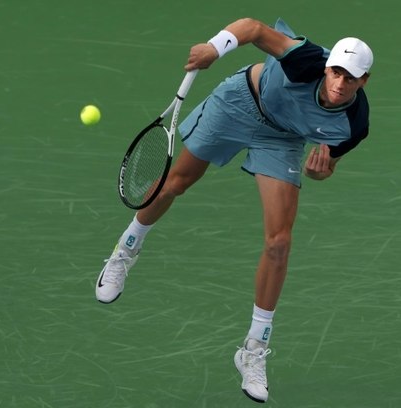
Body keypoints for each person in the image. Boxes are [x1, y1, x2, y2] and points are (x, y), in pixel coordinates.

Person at [95, 17, 373, 403]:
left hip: (283, 140)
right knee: (175, 183)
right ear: (327, 67)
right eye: (336, 72)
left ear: (364, 81)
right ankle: (124, 251)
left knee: (279, 243)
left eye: (351, 78)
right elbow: (254, 29)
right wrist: (214, 47)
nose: (340, 84)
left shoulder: (353, 124)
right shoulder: (305, 60)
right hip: (240, 103)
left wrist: (320, 173)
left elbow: (327, 167)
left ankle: (253, 350)